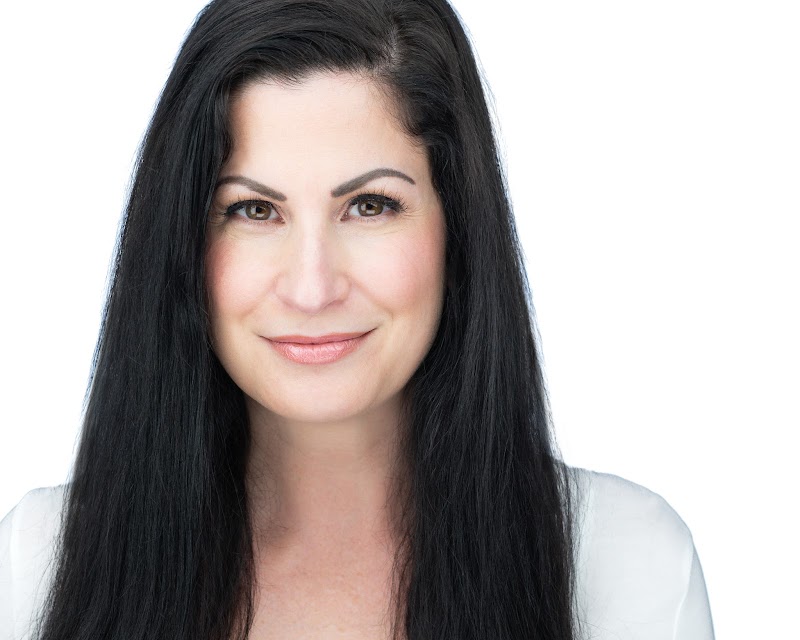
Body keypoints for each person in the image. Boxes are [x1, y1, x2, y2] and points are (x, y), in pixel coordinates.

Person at [0, 0, 715, 638]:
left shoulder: (628, 566)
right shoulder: (38, 563)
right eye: (254, 209)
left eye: (370, 206)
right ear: (182, 242)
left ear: (457, 228)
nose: (312, 289)